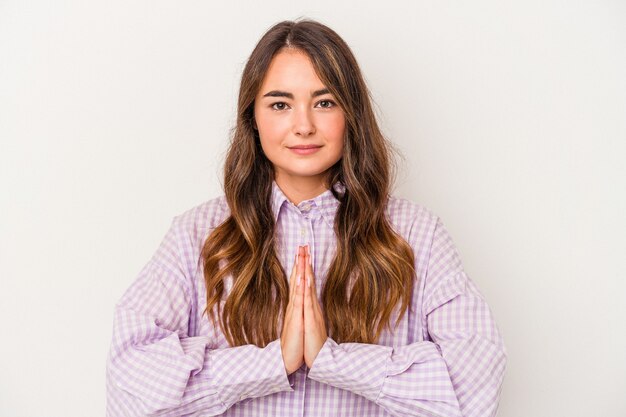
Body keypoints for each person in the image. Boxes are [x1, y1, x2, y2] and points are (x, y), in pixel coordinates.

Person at [106, 19, 506, 417]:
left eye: (324, 102)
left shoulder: (418, 235)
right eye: (280, 104)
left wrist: (333, 361)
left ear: (352, 115)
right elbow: (130, 386)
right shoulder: (197, 235)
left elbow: (475, 386)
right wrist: (270, 363)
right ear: (252, 118)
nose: (303, 126)